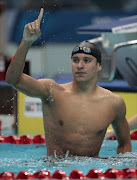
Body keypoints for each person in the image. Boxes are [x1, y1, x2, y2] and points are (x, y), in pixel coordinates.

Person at [6, 8, 131, 158]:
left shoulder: (113, 103)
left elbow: (124, 144)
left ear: (99, 66)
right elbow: (13, 79)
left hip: (91, 170)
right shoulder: (52, 91)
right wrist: (26, 42)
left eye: (87, 61)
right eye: (75, 60)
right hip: (55, 169)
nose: (80, 65)